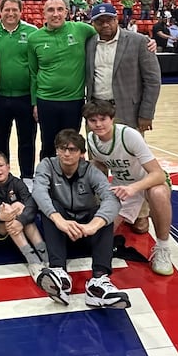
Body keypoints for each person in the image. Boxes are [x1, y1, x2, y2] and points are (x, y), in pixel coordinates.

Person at [32, 129, 129, 309]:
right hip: (60, 233)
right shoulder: (47, 165)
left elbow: (112, 199)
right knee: (50, 207)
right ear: (56, 150)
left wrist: (93, 225)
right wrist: (59, 219)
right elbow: (38, 191)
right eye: (62, 149)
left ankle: (98, 282)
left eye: (72, 149)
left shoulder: (90, 171)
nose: (67, 153)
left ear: (82, 154)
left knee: (103, 214)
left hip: (85, 233)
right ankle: (58, 273)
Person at [83, 100, 174, 275]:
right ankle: (135, 216)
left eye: (103, 119)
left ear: (112, 119)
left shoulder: (128, 135)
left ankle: (162, 249)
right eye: (93, 120)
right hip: (122, 187)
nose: (98, 124)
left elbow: (158, 174)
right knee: (98, 238)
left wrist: (134, 188)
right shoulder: (92, 139)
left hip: (147, 182)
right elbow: (101, 164)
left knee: (158, 192)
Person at [28, 0, 96, 159]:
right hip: (46, 100)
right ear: (43, 13)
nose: (56, 14)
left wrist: (146, 41)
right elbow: (33, 73)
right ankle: (47, 181)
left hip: (74, 100)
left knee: (72, 145)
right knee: (48, 144)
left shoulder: (82, 29)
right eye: (51, 10)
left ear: (67, 12)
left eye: (60, 9)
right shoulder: (34, 38)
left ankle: (71, 181)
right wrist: (34, 103)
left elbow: (110, 33)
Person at [0, 0, 39, 187]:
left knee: (27, 139)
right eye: (6, 10)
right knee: (1, 139)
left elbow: (36, 70)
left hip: (25, 97)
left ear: (21, 11)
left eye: (14, 10)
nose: (10, 13)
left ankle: (27, 176)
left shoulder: (33, 33)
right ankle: (2, 178)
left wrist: (35, 102)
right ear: (0, 11)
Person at [85, 3, 161, 133]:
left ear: (116, 19)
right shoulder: (89, 43)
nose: (105, 25)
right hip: (96, 111)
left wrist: (146, 114)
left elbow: (152, 81)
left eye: (109, 20)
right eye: (99, 21)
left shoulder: (139, 41)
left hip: (128, 111)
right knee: (97, 152)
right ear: (93, 24)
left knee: (128, 152)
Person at [0, 150, 48, 278]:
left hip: (19, 226)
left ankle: (43, 254)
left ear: (8, 167)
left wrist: (20, 220)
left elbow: (31, 204)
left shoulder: (17, 183)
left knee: (18, 207)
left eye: (1, 165)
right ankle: (32, 258)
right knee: (9, 209)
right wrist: (0, 215)